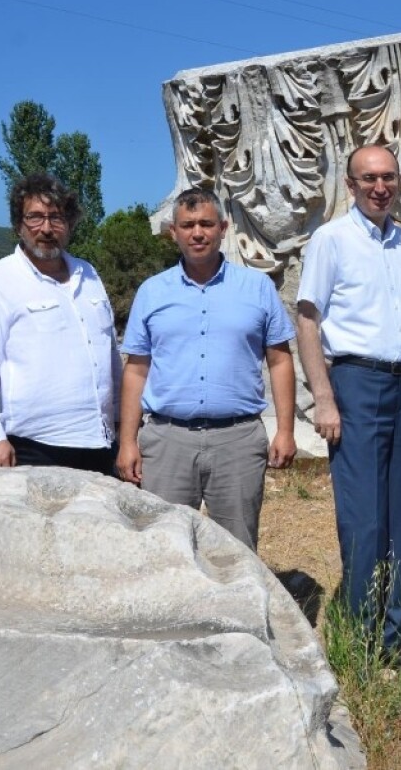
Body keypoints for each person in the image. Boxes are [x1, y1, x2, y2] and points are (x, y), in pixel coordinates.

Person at [296, 145, 401, 668]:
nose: (381, 187)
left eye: (389, 177)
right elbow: (307, 321)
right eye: (369, 178)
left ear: (399, 182)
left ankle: (394, 641)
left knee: (400, 519)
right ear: (350, 185)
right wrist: (324, 399)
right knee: (362, 520)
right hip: (355, 382)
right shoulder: (330, 240)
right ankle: (356, 642)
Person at [117, 188, 297, 553]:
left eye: (205, 223)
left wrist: (286, 430)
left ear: (223, 228)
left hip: (238, 441)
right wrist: (127, 442)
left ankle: (236, 613)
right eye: (187, 225)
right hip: (167, 441)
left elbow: (280, 360)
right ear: (173, 232)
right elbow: (137, 369)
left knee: (237, 551)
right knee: (163, 549)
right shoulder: (152, 293)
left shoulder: (258, 288)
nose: (197, 232)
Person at [0, 173, 121, 475]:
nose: (46, 228)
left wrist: (122, 424)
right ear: (18, 225)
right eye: (35, 217)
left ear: (69, 224)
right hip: (34, 448)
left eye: (56, 217)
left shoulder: (89, 274)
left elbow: (109, 355)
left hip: (101, 443)